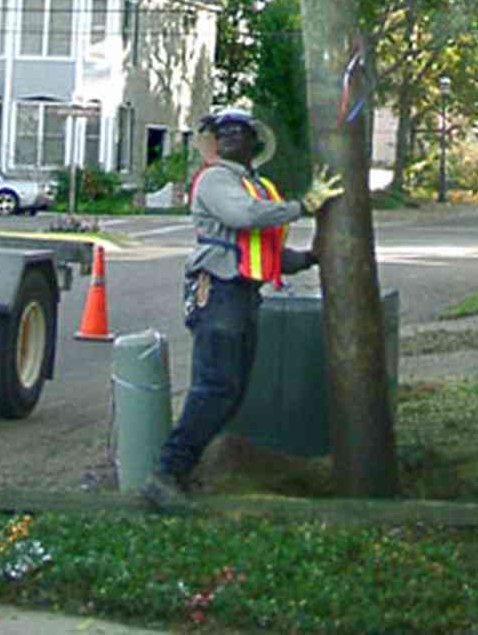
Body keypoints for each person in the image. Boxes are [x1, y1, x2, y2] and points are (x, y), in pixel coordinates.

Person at [142, 107, 343, 514]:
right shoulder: (217, 179)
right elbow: (243, 218)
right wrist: (303, 205)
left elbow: (261, 248)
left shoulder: (258, 186)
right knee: (215, 388)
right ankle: (166, 475)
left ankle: (182, 471)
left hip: (243, 294)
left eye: (239, 130)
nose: (230, 136)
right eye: (223, 132)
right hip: (218, 292)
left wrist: (306, 259)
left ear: (255, 143)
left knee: (230, 392)